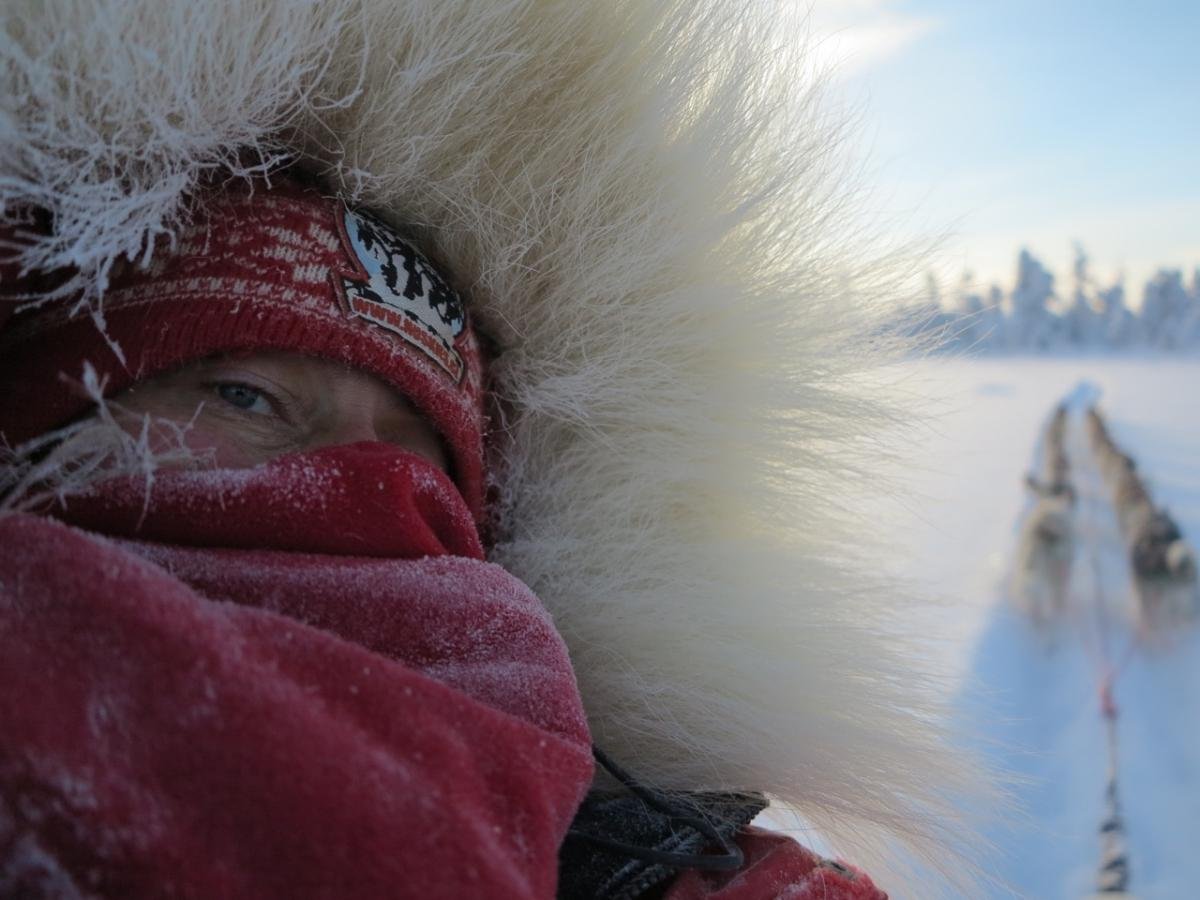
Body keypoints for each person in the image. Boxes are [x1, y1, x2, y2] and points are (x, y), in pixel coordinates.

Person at [1, 1, 981, 896]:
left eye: (421, 453)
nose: (368, 474)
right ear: (44, 419)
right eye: (246, 395)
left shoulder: (642, 863)